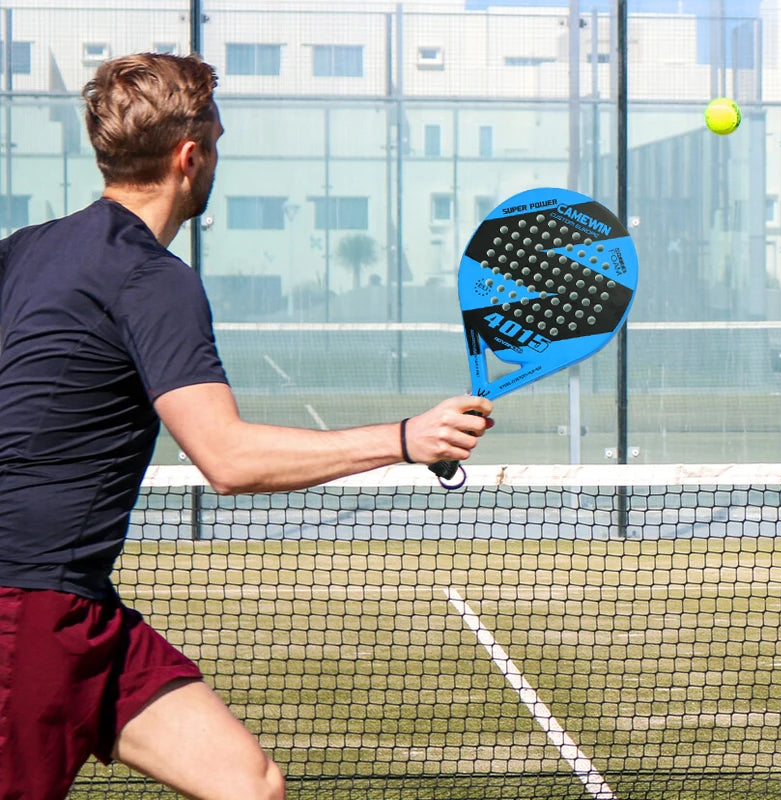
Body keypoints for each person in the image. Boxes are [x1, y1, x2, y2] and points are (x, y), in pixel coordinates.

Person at [0, 53, 492, 800]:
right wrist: (403, 439)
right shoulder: (149, 278)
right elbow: (226, 458)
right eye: (219, 145)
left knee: (249, 783)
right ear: (189, 158)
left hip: (78, 602)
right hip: (28, 609)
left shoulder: (24, 251)